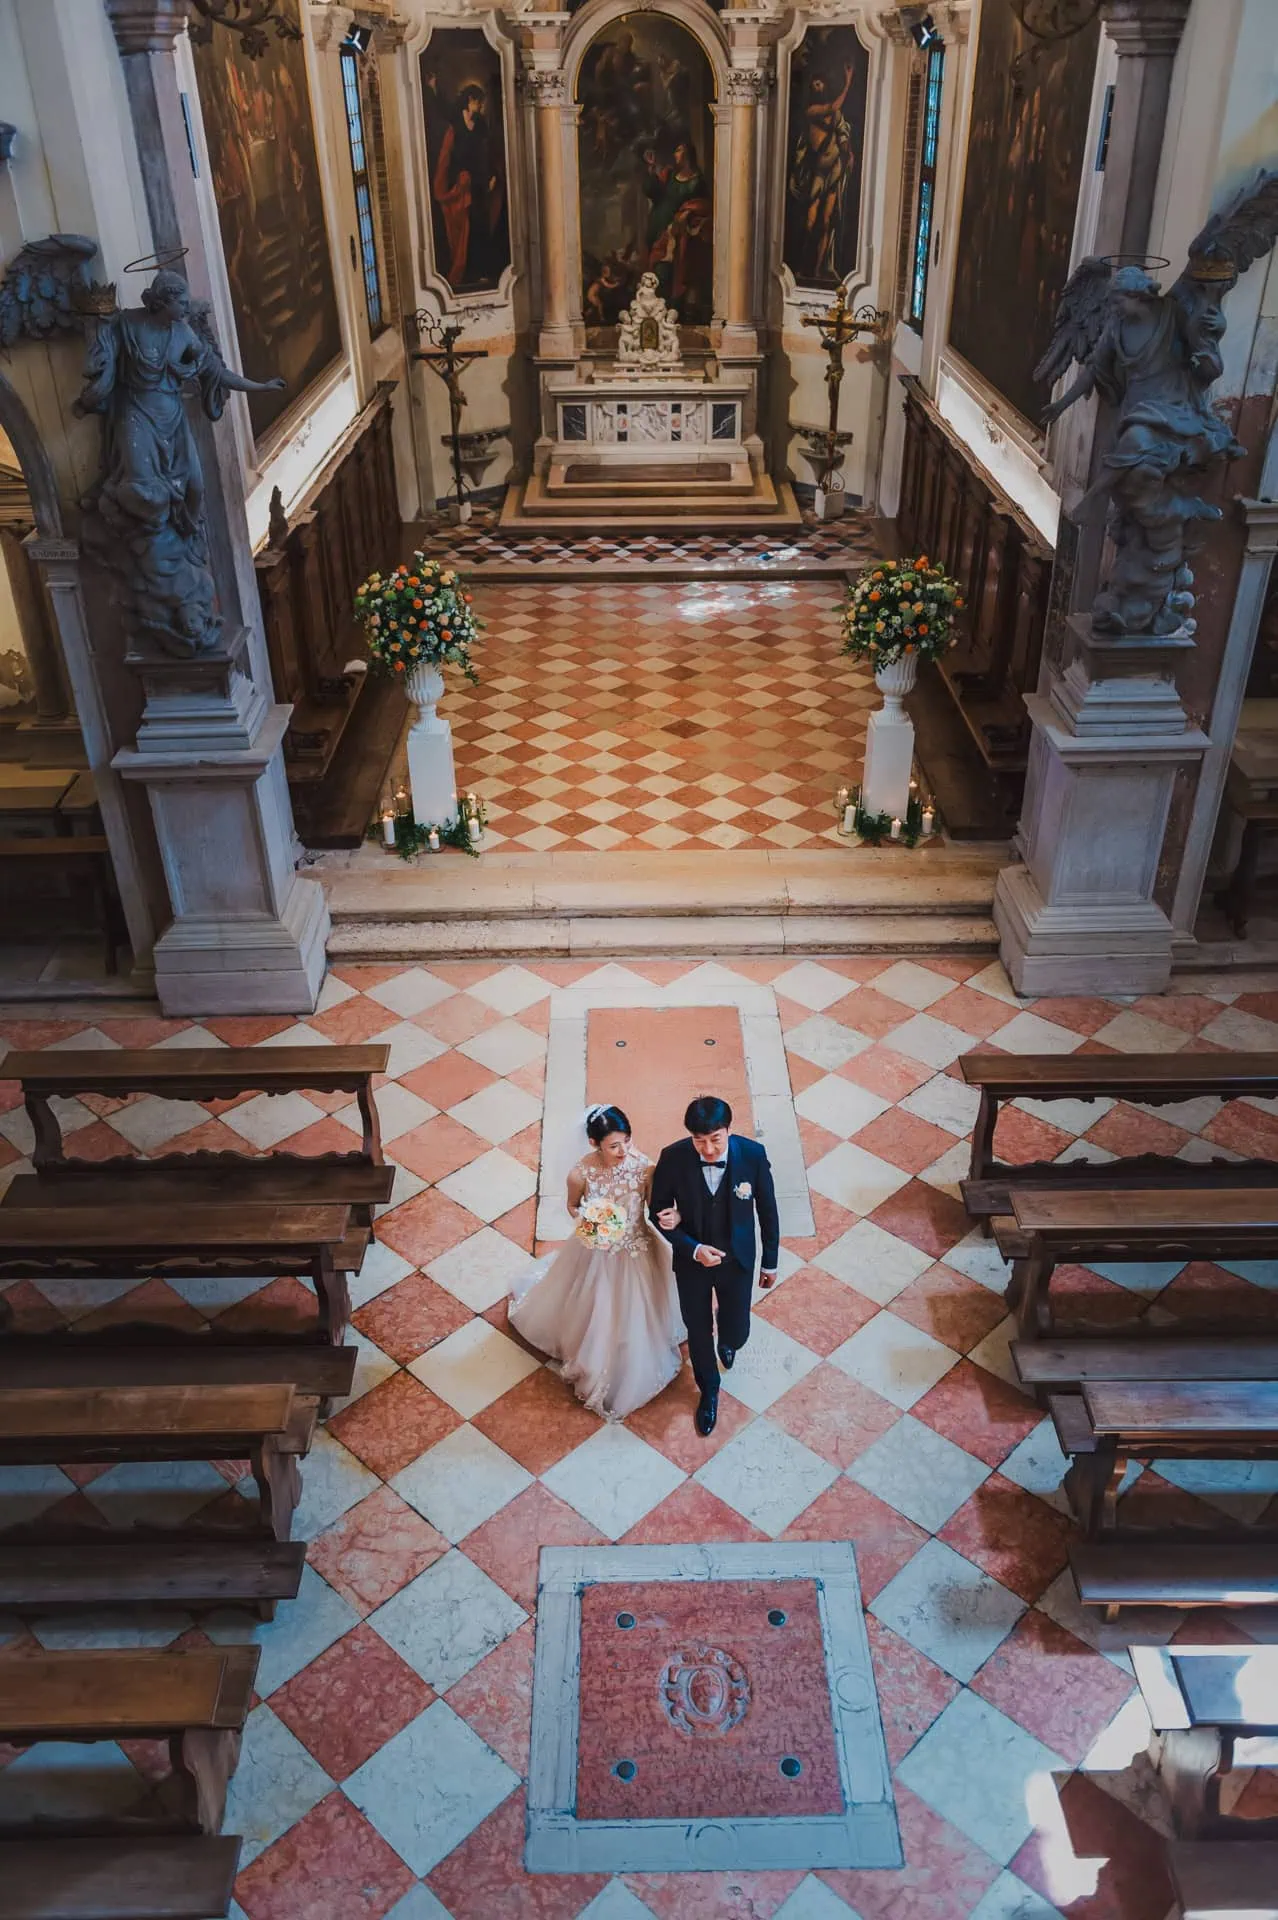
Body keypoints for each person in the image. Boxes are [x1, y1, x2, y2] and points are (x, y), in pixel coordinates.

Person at [509, 1104, 684, 1421]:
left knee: (638, 1309)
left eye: (626, 1141)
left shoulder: (644, 1168)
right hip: (595, 1249)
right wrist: (590, 1221)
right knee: (597, 1306)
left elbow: (656, 1207)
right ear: (594, 1143)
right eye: (614, 1145)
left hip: (636, 1248)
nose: (623, 1151)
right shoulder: (580, 1173)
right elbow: (573, 1206)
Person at [650, 1097, 779, 1438]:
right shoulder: (673, 1157)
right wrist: (692, 1249)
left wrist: (770, 1260)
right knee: (697, 1329)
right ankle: (708, 1389)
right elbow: (658, 1211)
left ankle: (730, 1340)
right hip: (692, 1262)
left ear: (729, 1131)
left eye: (715, 1139)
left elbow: (767, 1211)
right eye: (699, 1140)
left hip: (737, 1259)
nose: (707, 1149)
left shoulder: (752, 1155)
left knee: (737, 1330)